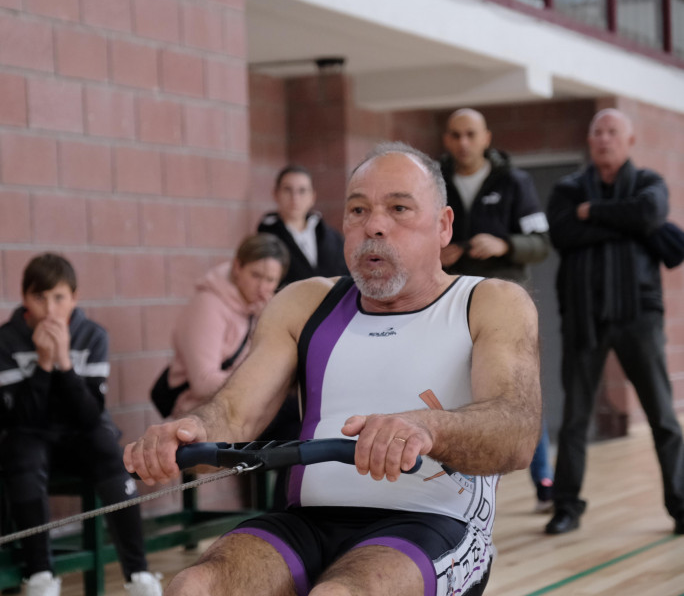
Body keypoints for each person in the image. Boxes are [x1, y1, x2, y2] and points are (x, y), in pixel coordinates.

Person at [125, 142, 542, 596]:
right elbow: (233, 413)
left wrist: (427, 429)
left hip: (435, 523)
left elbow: (516, 432)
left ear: (443, 226)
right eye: (358, 211)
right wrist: (187, 431)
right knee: (193, 587)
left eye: (399, 208)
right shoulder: (303, 303)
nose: (375, 226)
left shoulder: (491, 302)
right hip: (307, 522)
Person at [0, 253, 163, 596]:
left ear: (74, 298)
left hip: (80, 433)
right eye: (40, 298)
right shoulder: (4, 339)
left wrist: (65, 362)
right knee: (21, 454)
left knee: (107, 449)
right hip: (32, 434)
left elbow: (89, 414)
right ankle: (40, 575)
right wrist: (43, 363)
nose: (50, 310)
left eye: (59, 298)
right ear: (25, 299)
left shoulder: (93, 335)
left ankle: (139, 574)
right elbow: (23, 417)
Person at [545, 108, 684, 536]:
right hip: (584, 316)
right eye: (598, 132)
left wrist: (596, 214)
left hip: (638, 315)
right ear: (590, 141)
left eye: (612, 132)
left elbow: (649, 213)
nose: (604, 138)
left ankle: (680, 507)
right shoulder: (569, 189)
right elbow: (564, 233)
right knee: (574, 418)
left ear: (630, 141)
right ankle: (566, 506)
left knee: (662, 416)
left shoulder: (649, 183)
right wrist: (627, 222)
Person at [439, 107, 555, 512]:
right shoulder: (434, 182)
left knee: (518, 393)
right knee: (459, 395)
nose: (463, 142)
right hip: (451, 302)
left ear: (487, 137)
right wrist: (440, 250)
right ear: (446, 140)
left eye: (471, 134)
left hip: (504, 305)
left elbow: (541, 242)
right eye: (455, 135)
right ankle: (459, 491)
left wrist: (505, 244)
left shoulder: (514, 181)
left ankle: (544, 478)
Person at [169, 233, 289, 419]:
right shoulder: (208, 305)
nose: (262, 287)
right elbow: (203, 382)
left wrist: (268, 323)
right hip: (201, 416)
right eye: (256, 275)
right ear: (237, 267)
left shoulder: (258, 309)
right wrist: (260, 384)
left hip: (239, 412)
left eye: (270, 280)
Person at [257, 164, 349, 288]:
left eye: (302, 191)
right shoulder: (264, 239)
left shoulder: (332, 237)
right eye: (287, 189)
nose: (295, 198)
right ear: (275, 194)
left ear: (312, 197)